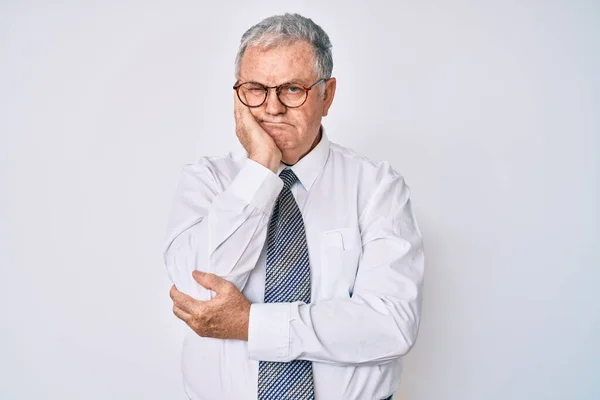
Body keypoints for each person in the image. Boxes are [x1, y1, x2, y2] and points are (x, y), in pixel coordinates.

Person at [163, 13, 424, 400]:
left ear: (327, 95)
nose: (272, 108)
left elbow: (391, 325)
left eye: (291, 89)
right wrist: (260, 169)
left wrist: (251, 324)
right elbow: (201, 300)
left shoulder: (377, 189)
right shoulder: (207, 182)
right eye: (255, 89)